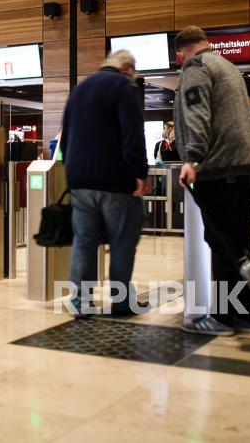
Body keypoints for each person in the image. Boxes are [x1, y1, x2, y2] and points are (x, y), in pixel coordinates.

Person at [173, 26, 250, 337]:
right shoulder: (228, 65)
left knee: (221, 243)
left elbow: (198, 112)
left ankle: (223, 319)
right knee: (241, 243)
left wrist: (193, 159)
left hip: (220, 166)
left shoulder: (195, 66)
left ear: (179, 53)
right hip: (247, 163)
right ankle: (245, 316)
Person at [60, 50, 149, 318]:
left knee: (84, 242)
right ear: (126, 67)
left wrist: (72, 173)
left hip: (79, 181)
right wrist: (140, 173)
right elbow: (133, 133)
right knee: (122, 241)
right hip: (115, 181)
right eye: (132, 71)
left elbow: (66, 137)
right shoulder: (124, 86)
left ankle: (80, 304)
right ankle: (121, 303)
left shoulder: (80, 88)